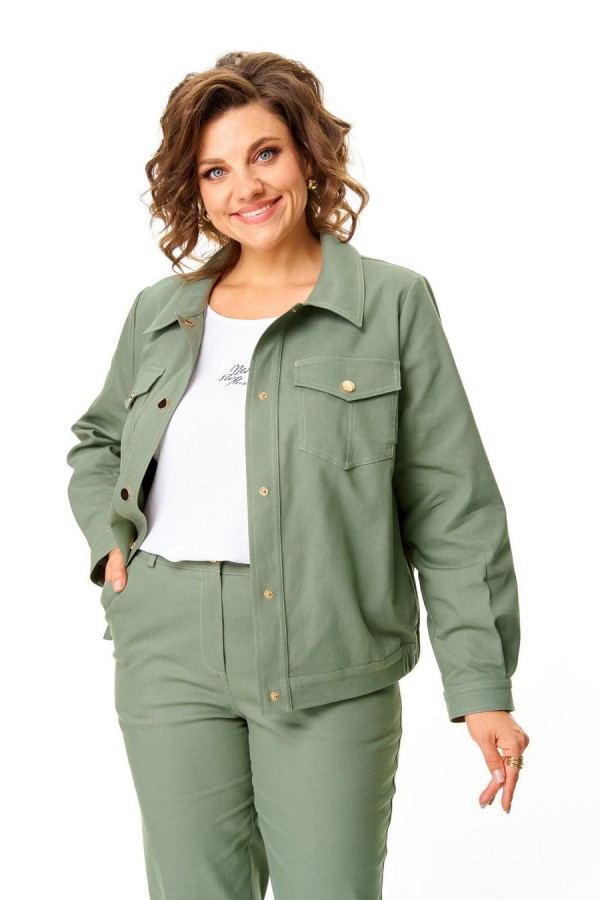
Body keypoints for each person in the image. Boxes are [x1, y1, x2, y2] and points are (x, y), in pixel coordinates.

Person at [66, 50, 530, 900]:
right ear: (195, 190)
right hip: (167, 649)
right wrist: (111, 542)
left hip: (331, 652)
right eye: (215, 170)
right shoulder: (160, 312)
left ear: (309, 157)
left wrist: (481, 686)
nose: (245, 185)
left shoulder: (390, 303)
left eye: (265, 153)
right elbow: (99, 442)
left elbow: (450, 504)